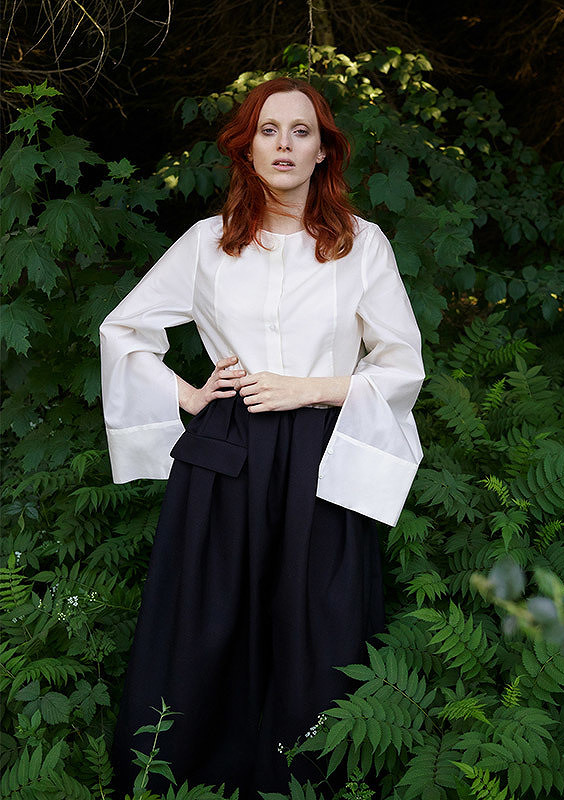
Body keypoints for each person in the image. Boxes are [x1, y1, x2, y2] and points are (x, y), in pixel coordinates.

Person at [99, 76, 425, 799]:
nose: (284, 144)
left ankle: (306, 778)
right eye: (268, 130)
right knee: (211, 613)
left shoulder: (361, 245)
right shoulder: (207, 244)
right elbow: (123, 330)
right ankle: (186, 777)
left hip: (323, 451)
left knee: (318, 619)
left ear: (322, 150)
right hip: (229, 451)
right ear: (246, 148)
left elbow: (401, 364)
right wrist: (191, 397)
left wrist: (306, 389)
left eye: (300, 131)